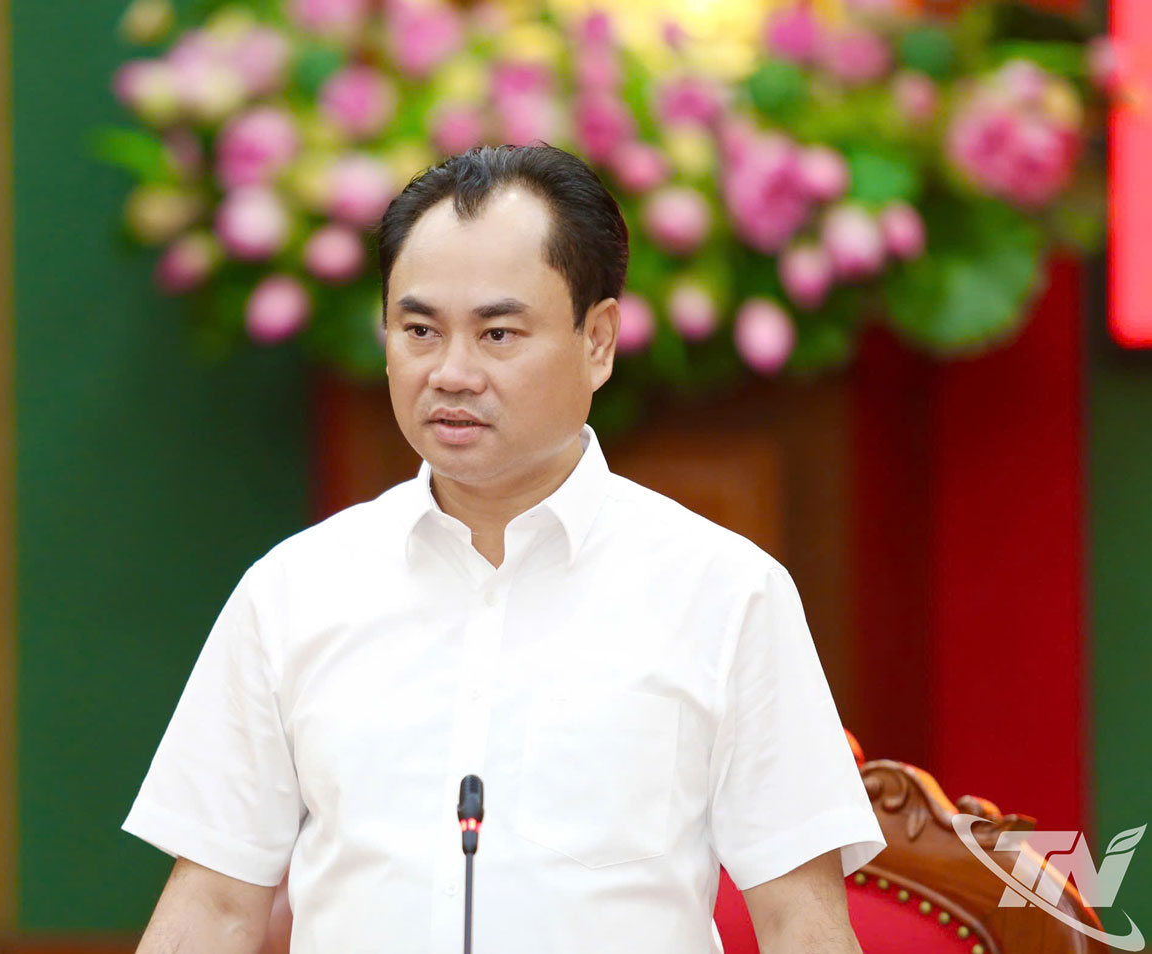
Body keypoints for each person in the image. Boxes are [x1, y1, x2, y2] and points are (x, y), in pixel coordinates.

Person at [123, 144, 884, 954]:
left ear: (599, 340)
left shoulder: (726, 592)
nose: (452, 373)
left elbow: (801, 922)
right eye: (420, 330)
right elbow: (213, 907)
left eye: (498, 333)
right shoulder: (293, 591)